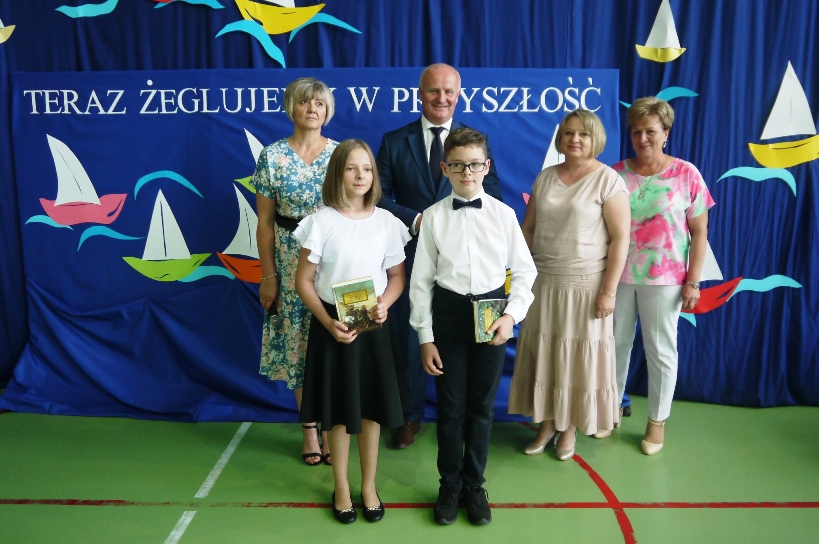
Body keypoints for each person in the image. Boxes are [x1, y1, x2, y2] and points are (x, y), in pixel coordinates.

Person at [409, 128, 536, 526]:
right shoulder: (433, 217)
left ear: (486, 167)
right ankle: (449, 484)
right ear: (444, 168)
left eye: (475, 165)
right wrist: (425, 336)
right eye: (458, 165)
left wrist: (511, 316)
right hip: (448, 316)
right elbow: (420, 281)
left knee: (481, 408)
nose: (467, 172)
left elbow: (526, 271)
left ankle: (474, 485)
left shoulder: (503, 215)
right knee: (450, 409)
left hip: (492, 314)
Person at [376, 63, 503, 449]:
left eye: (449, 91)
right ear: (420, 94)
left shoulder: (475, 142)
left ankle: (465, 417)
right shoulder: (394, 141)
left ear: (458, 95)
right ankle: (408, 415)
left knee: (464, 336)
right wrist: (416, 219)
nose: (441, 98)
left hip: (464, 260)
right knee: (411, 335)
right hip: (409, 253)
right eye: (434, 91)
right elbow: (378, 196)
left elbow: (492, 196)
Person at [294, 139, 409, 523]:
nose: (360, 176)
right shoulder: (320, 222)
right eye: (351, 168)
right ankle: (341, 486)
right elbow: (304, 281)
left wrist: (385, 303)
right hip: (334, 326)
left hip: (373, 326)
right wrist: (328, 322)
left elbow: (396, 277)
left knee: (371, 410)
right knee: (340, 414)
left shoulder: (387, 222)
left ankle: (369, 485)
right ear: (337, 173)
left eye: (367, 168)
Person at [508, 109, 630, 461]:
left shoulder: (609, 180)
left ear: (596, 139)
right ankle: (547, 423)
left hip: (587, 287)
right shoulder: (545, 177)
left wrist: (608, 292)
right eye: (569, 132)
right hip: (543, 284)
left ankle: (570, 426)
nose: (575, 139)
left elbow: (621, 239)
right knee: (546, 356)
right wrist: (517, 278)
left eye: (583, 133)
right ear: (560, 138)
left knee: (576, 361)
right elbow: (528, 231)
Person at [610, 97, 714, 455]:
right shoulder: (616, 174)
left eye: (650, 131)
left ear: (666, 133)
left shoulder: (687, 174)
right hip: (618, 277)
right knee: (614, 345)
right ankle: (611, 409)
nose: (642, 138)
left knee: (660, 351)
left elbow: (700, 232)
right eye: (636, 131)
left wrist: (693, 281)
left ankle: (657, 422)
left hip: (666, 280)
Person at [253, 77, 338, 467]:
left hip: (334, 260)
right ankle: (309, 429)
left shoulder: (340, 154)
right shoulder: (272, 156)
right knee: (298, 346)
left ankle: (333, 425)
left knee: (334, 340)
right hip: (289, 262)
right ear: (291, 108)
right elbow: (264, 223)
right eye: (305, 102)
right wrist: (268, 275)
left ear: (327, 110)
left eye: (319, 103)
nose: (312, 109)